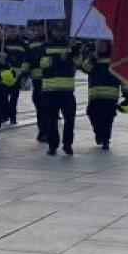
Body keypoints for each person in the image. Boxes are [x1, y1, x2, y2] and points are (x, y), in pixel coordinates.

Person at [82, 40, 128, 150]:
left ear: (107, 44)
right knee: (92, 114)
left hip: (110, 94)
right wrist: (93, 58)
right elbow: (84, 69)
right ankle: (98, 133)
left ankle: (105, 140)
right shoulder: (93, 57)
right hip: (95, 94)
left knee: (107, 118)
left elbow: (122, 77)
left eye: (101, 43)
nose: (99, 45)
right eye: (97, 43)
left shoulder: (115, 58)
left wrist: (126, 94)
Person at [40, 22, 80, 156]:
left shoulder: (70, 45)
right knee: (51, 119)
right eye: (56, 30)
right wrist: (58, 58)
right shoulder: (45, 45)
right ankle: (52, 145)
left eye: (61, 31)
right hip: (50, 89)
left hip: (67, 90)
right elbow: (41, 63)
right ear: (52, 31)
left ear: (64, 32)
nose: (59, 33)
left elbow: (79, 63)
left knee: (70, 119)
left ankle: (68, 145)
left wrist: (75, 50)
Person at [4, 26, 28, 125]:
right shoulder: (2, 44)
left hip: (17, 74)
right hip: (4, 74)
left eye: (14, 31)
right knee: (4, 96)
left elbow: (26, 59)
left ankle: (12, 116)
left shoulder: (22, 44)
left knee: (14, 96)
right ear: (6, 32)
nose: (12, 33)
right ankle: (4, 114)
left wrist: (24, 74)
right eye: (10, 31)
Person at [27, 21, 48, 142]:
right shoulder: (32, 43)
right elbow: (28, 59)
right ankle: (42, 130)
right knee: (39, 107)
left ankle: (47, 131)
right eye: (38, 28)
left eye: (42, 27)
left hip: (50, 80)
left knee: (48, 108)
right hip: (37, 80)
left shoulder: (50, 42)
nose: (40, 30)